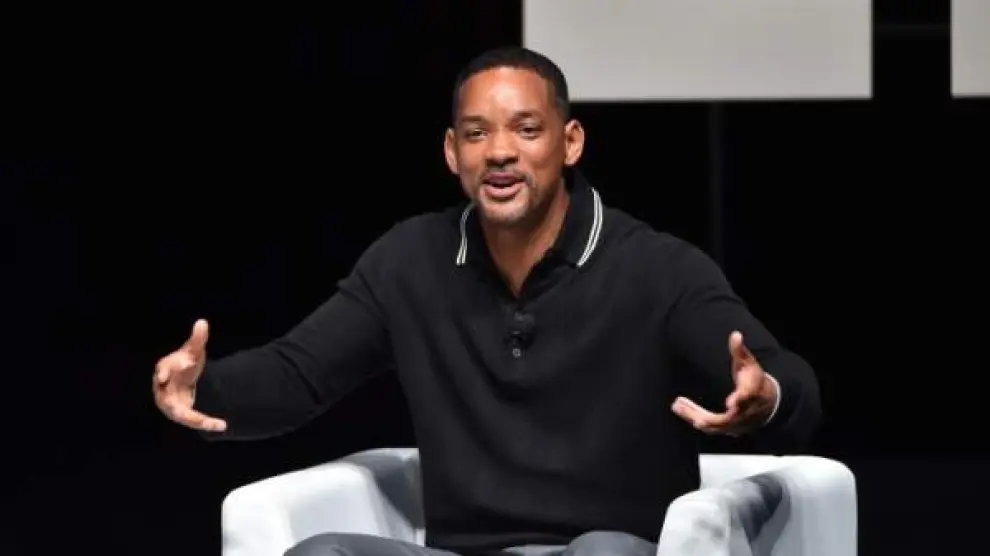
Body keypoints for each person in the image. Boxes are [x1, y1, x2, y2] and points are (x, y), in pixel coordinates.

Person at [153, 46, 821, 556]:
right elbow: (298, 374)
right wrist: (201, 388)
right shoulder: (410, 260)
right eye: (476, 134)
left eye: (526, 130)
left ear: (570, 142)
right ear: (452, 152)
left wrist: (764, 399)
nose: (500, 152)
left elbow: (788, 381)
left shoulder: (657, 268)